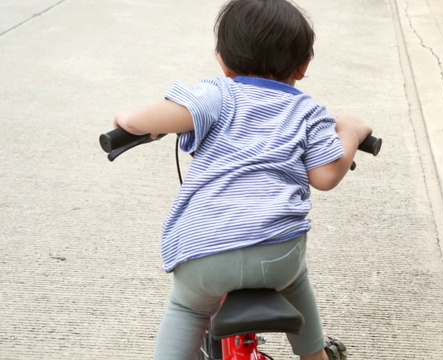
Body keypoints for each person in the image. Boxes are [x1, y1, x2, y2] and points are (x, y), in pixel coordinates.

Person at [113, 0, 372, 359]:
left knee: (187, 308)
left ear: (222, 60)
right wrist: (351, 131)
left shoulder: (218, 94)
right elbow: (326, 176)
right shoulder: (308, 111)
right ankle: (315, 356)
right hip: (277, 258)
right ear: (304, 64)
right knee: (297, 280)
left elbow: (153, 117)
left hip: (205, 256)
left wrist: (132, 121)